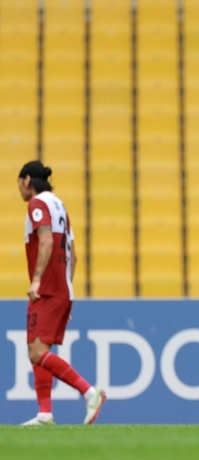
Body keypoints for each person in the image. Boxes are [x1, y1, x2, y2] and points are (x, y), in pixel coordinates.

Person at [18, 160, 106, 426]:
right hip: (61, 288)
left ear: (27, 181)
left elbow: (45, 240)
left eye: (19, 183)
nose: (19, 190)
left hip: (47, 289)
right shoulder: (60, 207)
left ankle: (90, 392)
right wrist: (66, 293)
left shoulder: (37, 205)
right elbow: (74, 256)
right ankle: (44, 413)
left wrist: (36, 280)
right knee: (37, 345)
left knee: (36, 351)